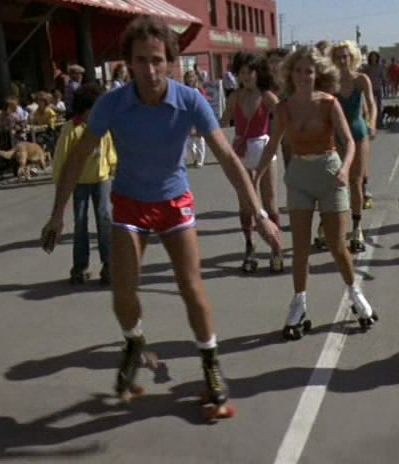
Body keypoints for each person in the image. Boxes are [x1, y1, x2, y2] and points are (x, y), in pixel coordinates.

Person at [40, 15, 281, 420]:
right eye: (141, 60)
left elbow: (227, 157)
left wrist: (258, 213)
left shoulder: (190, 101)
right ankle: (134, 342)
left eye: (157, 60)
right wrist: (56, 215)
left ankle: (210, 363)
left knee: (191, 286)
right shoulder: (113, 104)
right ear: (129, 63)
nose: (150, 70)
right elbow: (79, 157)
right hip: (129, 203)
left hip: (174, 202)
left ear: (170, 61)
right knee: (123, 292)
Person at [255, 46, 378, 340]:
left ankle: (356, 295)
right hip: (299, 176)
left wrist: (345, 169)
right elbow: (272, 144)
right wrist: (255, 177)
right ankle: (299, 304)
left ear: (318, 74)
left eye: (308, 71)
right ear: (290, 74)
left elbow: (348, 142)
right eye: (298, 71)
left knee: (337, 245)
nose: (303, 76)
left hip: (329, 174)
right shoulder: (284, 108)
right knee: (300, 248)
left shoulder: (328, 102)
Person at [220, 54, 284, 272]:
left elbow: (283, 117)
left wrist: (278, 137)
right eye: (242, 72)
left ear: (258, 73)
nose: (246, 76)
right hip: (241, 151)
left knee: (270, 203)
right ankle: (250, 246)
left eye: (250, 72)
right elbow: (222, 121)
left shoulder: (266, 96)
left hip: (263, 150)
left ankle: (276, 247)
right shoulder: (234, 97)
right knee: (246, 204)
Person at [52, 83, 117, 285]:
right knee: (80, 223)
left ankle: (109, 265)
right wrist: (61, 182)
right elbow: (61, 158)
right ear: (84, 109)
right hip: (79, 182)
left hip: (102, 179)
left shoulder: (103, 126)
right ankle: (80, 267)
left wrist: (113, 167)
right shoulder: (71, 128)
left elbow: (109, 149)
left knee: (105, 218)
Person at [330, 41, 378, 254]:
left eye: (346, 56)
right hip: (337, 135)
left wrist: (372, 123)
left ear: (352, 57)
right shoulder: (331, 82)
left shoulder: (361, 79)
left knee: (356, 181)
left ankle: (357, 227)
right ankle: (331, 225)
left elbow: (371, 104)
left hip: (358, 133)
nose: (343, 60)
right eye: (339, 57)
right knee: (335, 182)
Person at [266, 48, 293, 167]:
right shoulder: (265, 85)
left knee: (290, 161)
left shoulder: (292, 85)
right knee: (270, 162)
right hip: (270, 128)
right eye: (271, 62)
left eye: (277, 61)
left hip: (289, 127)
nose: (273, 65)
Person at [183, 70, 209, 168]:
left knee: (199, 139)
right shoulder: (184, 90)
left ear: (195, 78)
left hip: (198, 117)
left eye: (192, 77)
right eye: (188, 77)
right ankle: (194, 158)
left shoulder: (198, 90)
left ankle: (200, 160)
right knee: (189, 140)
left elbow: (204, 104)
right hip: (187, 117)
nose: (190, 79)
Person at [362, 51, 387, 128]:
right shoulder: (367, 67)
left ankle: (379, 123)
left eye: (375, 57)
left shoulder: (380, 67)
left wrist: (385, 84)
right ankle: (370, 123)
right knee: (369, 106)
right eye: (372, 57)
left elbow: (383, 77)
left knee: (378, 106)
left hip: (378, 88)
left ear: (377, 58)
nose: (373, 58)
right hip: (369, 89)